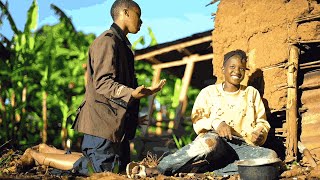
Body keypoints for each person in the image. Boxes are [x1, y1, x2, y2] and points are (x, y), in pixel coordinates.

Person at [19, 0, 166, 176]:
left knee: (108, 164)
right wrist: (132, 93)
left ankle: (45, 149)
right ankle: (37, 156)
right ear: (125, 13)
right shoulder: (107, 42)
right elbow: (103, 82)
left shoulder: (123, 46)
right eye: (138, 15)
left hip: (114, 124)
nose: (141, 21)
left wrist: (133, 117)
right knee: (97, 168)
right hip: (102, 119)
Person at [127, 49, 278, 178]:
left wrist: (259, 133)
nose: (237, 71)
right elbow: (197, 119)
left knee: (270, 157)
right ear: (223, 68)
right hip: (216, 141)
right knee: (208, 144)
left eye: (242, 68)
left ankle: (213, 171)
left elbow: (262, 122)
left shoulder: (251, 93)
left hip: (243, 146)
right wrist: (217, 123)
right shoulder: (209, 92)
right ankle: (158, 169)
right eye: (232, 66)